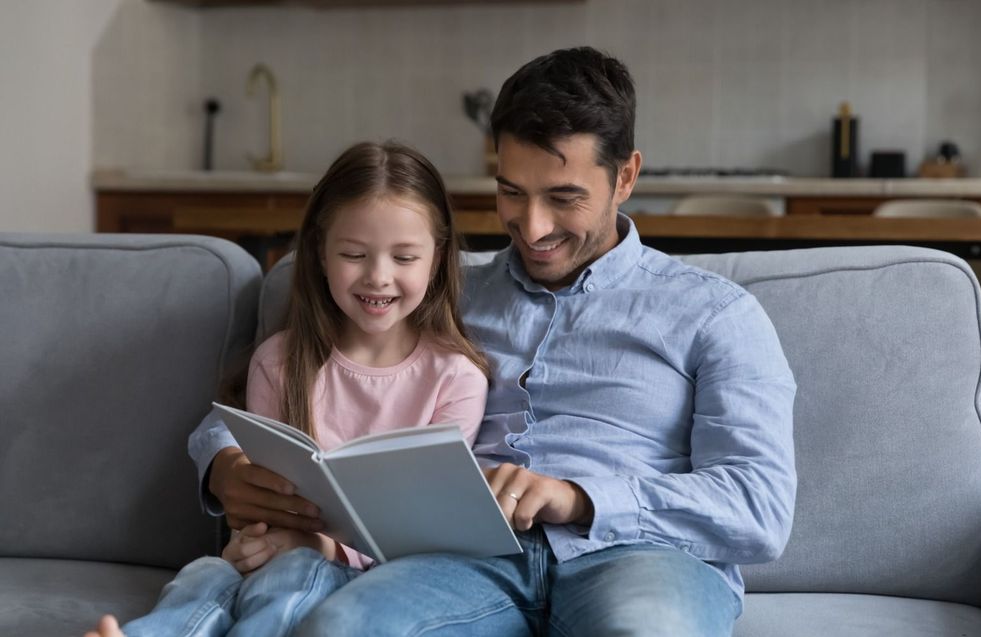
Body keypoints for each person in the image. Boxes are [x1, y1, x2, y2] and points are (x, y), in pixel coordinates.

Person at [194, 46, 797, 636]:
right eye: (512, 192)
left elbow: (758, 505)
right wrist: (223, 465)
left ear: (626, 177)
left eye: (564, 197)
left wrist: (580, 499)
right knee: (342, 623)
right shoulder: (440, 290)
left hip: (638, 556)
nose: (533, 228)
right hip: (465, 560)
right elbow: (300, 367)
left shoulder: (715, 313)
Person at [84, 141, 490, 637]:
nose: (378, 276)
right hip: (275, 551)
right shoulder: (280, 360)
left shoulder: (456, 378)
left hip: (361, 577)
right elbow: (263, 490)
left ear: (437, 256)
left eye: (404, 256)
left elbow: (420, 534)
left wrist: (318, 546)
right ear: (320, 253)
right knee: (209, 573)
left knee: (294, 576)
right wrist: (254, 540)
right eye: (353, 254)